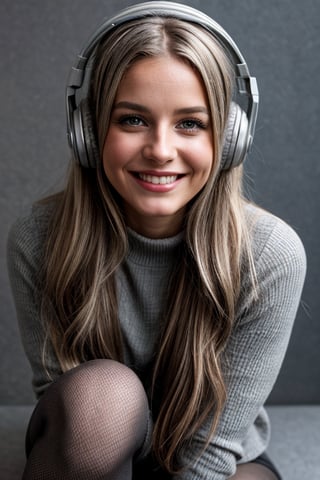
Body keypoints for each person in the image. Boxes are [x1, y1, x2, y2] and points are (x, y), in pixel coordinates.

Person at [7, 2, 306, 479]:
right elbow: (62, 404)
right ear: (88, 132)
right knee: (104, 399)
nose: (161, 151)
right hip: (88, 442)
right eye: (132, 120)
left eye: (190, 123)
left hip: (213, 452)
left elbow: (210, 453)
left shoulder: (270, 254)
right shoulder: (39, 239)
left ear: (229, 140)